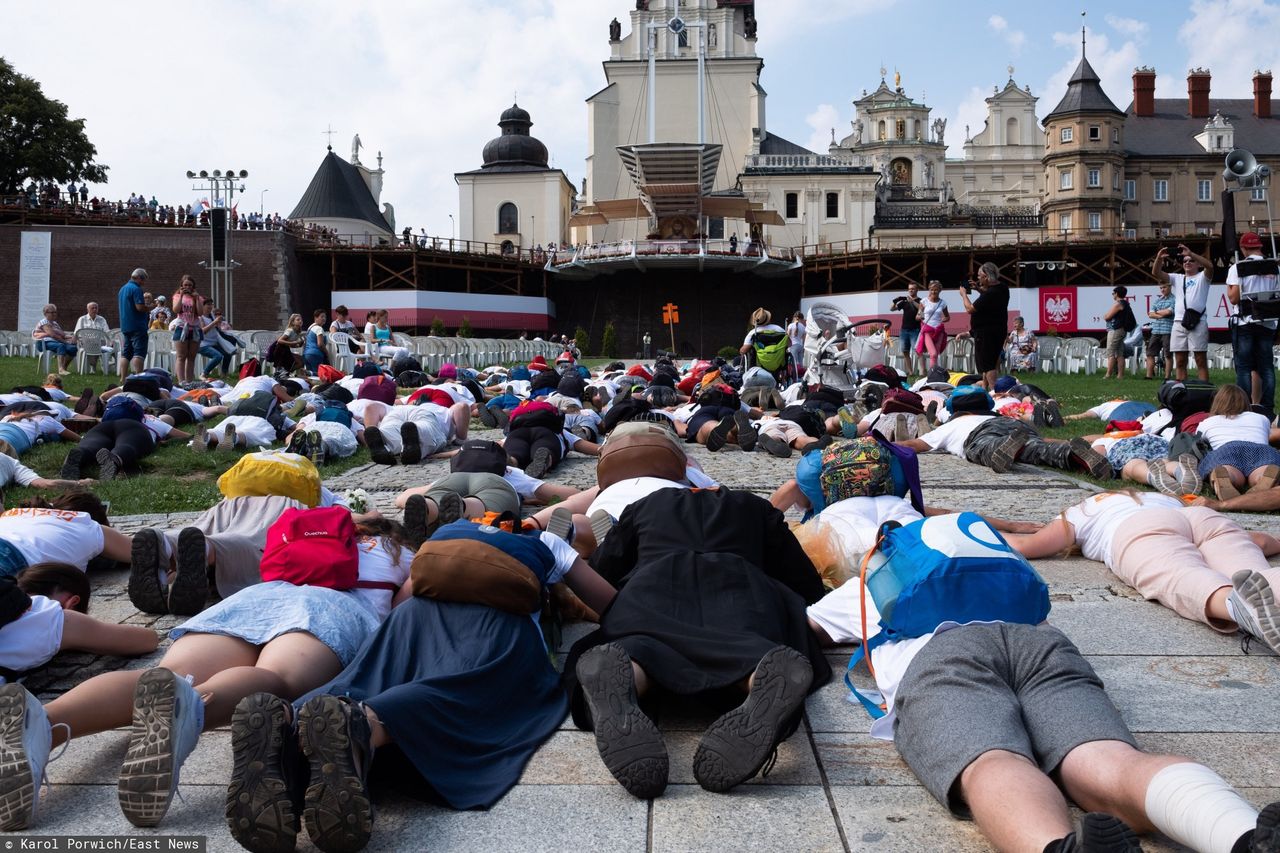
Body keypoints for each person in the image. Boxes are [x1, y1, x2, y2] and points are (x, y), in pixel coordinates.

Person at [805, 549, 1280, 853]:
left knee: (990, 758)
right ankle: (1240, 833)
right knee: (1105, 759)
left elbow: (808, 632)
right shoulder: (989, 552)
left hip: (944, 653)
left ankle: (1057, 848)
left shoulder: (872, 578)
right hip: (1040, 643)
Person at [221, 520, 616, 853]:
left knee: (362, 681)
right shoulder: (549, 543)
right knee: (458, 691)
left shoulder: (450, 532)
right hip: (498, 629)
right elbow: (611, 605)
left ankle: (289, 728)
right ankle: (363, 727)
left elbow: (407, 595)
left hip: (412, 620)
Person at [0, 517, 414, 832]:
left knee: (167, 674)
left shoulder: (302, 534)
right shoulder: (400, 553)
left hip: (255, 601)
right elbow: (408, 613)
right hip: (332, 612)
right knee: (278, 677)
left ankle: (41, 723)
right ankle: (191, 709)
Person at [565, 487, 829, 799]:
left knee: (639, 644)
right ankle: (761, 678)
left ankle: (626, 674)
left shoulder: (647, 503)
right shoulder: (754, 507)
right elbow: (803, 579)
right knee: (751, 648)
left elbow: (605, 569)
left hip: (653, 586)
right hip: (741, 588)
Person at [1006, 492, 1280, 652]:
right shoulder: (1163, 499)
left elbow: (1026, 546)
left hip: (1139, 528)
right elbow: (1262, 542)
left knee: (1178, 573)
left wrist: (995, 526)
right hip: (1199, 517)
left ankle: (1236, 606)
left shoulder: (1081, 512)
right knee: (1254, 571)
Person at [1195, 384, 1280, 500]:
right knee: (1262, 468)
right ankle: (1263, 477)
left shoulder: (1207, 422)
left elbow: (1198, 441)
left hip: (1226, 450)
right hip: (1260, 449)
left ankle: (1226, 476)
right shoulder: (1261, 418)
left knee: (1228, 470)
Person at [1227, 231, 1278, 416]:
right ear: (1260, 246)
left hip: (1245, 321)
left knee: (1244, 367)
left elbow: (1233, 298)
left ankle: (1244, 407)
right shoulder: (1274, 267)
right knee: (1266, 367)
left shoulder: (1238, 267)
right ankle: (1267, 409)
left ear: (1243, 248)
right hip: (1267, 322)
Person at [1153, 244, 1212, 382]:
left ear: (1198, 263)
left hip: (1198, 321)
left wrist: (1191, 253)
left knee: (1200, 360)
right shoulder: (1177, 278)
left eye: (1190, 260)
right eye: (1185, 261)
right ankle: (1182, 392)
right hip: (1179, 322)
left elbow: (1209, 266)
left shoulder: (1203, 277)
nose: (1187, 263)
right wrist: (1158, 258)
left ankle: (1203, 391)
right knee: (1180, 361)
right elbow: (1156, 273)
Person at [959, 262, 1010, 390]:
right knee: (989, 361)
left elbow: (970, 309)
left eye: (980, 276)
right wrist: (978, 289)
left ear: (986, 276)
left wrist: (964, 294)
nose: (978, 278)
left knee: (987, 364)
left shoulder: (990, 294)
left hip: (986, 333)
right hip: (998, 330)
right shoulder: (1003, 288)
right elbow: (989, 301)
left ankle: (994, 390)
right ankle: (985, 387)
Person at [117, 268, 151, 382]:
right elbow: (139, 307)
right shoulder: (136, 289)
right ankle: (138, 377)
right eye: (143, 280)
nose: (144, 283)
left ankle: (123, 378)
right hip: (137, 325)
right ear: (138, 278)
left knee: (126, 353)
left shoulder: (122, 289)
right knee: (139, 353)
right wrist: (150, 307)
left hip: (125, 325)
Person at [170, 275, 203, 384]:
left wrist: (197, 298)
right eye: (185, 285)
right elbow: (176, 309)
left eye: (190, 285)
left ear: (193, 286)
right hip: (181, 327)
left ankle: (189, 381)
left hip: (194, 328)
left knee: (191, 356)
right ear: (181, 286)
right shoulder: (177, 296)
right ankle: (181, 381)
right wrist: (181, 296)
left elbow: (200, 312)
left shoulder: (198, 297)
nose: (187, 287)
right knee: (181, 355)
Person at [32, 304, 78, 376]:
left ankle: (64, 367)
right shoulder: (44, 322)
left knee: (73, 348)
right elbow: (53, 335)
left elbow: (62, 334)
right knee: (61, 346)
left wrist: (73, 337)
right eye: (52, 312)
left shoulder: (55, 323)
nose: (54, 314)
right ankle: (61, 369)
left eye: (55, 312)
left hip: (55, 342)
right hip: (44, 343)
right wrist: (65, 342)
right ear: (45, 313)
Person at [914, 281, 949, 369]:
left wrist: (944, 319)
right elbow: (918, 315)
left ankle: (933, 375)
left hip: (939, 330)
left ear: (940, 290)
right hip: (927, 330)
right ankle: (932, 376)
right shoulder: (924, 301)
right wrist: (920, 316)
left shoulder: (943, 303)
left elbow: (947, 317)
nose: (933, 292)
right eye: (931, 290)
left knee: (935, 355)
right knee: (932, 353)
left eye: (936, 290)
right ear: (929, 290)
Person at [1102, 286, 1133, 380]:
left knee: (1111, 352)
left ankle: (1108, 374)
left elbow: (1107, 317)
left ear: (1116, 293)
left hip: (1116, 330)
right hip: (1122, 330)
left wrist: (1105, 315)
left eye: (1113, 293)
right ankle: (1120, 375)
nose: (1112, 295)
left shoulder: (1118, 304)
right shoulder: (1125, 303)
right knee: (1119, 353)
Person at [1146, 281, 1175, 380]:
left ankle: (1167, 377)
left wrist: (1156, 313)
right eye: (1161, 288)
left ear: (1170, 287)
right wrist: (1161, 314)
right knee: (1150, 354)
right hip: (1155, 330)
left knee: (1168, 355)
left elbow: (1169, 312)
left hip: (1168, 330)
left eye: (1164, 287)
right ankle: (1149, 376)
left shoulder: (1174, 299)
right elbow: (1150, 314)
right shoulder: (1158, 300)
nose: (1162, 289)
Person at [894, 284, 923, 375]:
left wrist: (912, 302)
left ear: (917, 290)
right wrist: (896, 301)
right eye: (909, 289)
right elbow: (892, 309)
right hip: (904, 330)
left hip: (915, 330)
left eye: (913, 289)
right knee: (905, 351)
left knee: (918, 351)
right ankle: (910, 372)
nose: (911, 291)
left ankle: (922, 371)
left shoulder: (921, 301)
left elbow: (922, 308)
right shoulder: (904, 301)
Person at [304, 309, 329, 374]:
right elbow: (320, 344)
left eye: (325, 317)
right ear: (316, 318)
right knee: (318, 375)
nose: (324, 318)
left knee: (310, 376)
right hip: (316, 355)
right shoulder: (319, 328)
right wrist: (327, 352)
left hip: (306, 355)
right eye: (322, 316)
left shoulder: (310, 328)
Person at [785, 311, 807, 379]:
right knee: (800, 364)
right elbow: (804, 339)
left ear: (794, 318)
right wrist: (803, 348)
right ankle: (801, 379)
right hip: (800, 346)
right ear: (801, 319)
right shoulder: (803, 327)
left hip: (793, 346)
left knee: (794, 364)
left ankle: (795, 379)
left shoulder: (790, 325)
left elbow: (787, 336)